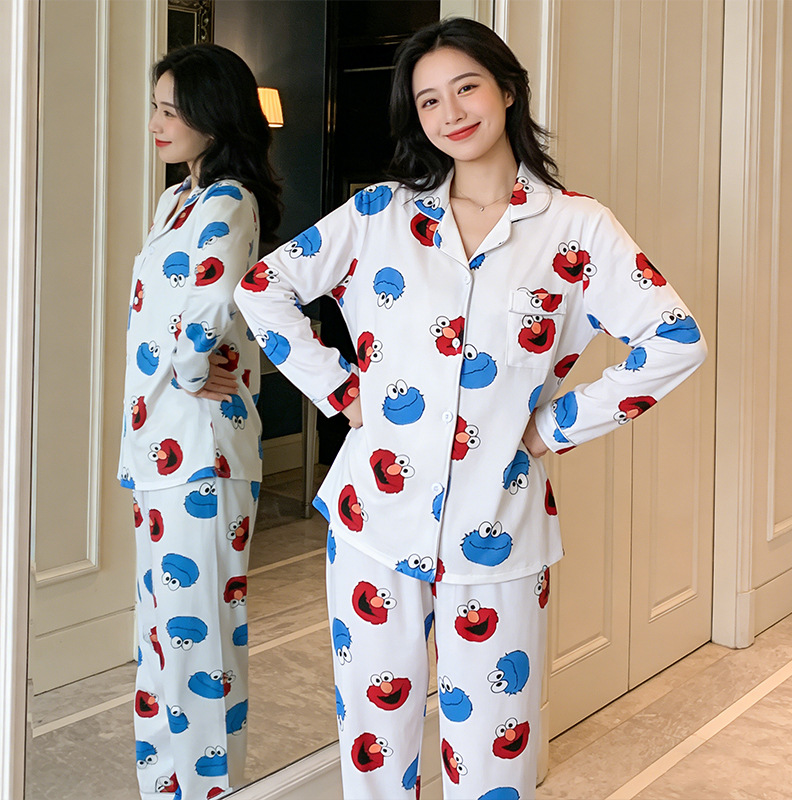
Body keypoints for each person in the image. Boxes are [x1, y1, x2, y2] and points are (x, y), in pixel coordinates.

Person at [234, 17, 706, 800]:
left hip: (499, 528)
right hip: (372, 522)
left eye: (466, 88)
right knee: (375, 747)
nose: (450, 112)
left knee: (492, 755)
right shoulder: (379, 215)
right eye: (428, 101)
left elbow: (676, 338)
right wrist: (341, 389)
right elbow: (264, 289)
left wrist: (553, 426)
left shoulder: (577, 227)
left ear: (508, 89)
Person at [118, 43, 281, 800]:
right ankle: (163, 789)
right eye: (155, 106)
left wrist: (190, 372)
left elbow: (208, 308)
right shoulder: (175, 202)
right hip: (158, 445)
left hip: (203, 456)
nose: (156, 122)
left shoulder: (229, 202)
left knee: (202, 651)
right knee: (159, 646)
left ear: (214, 115)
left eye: (171, 109)